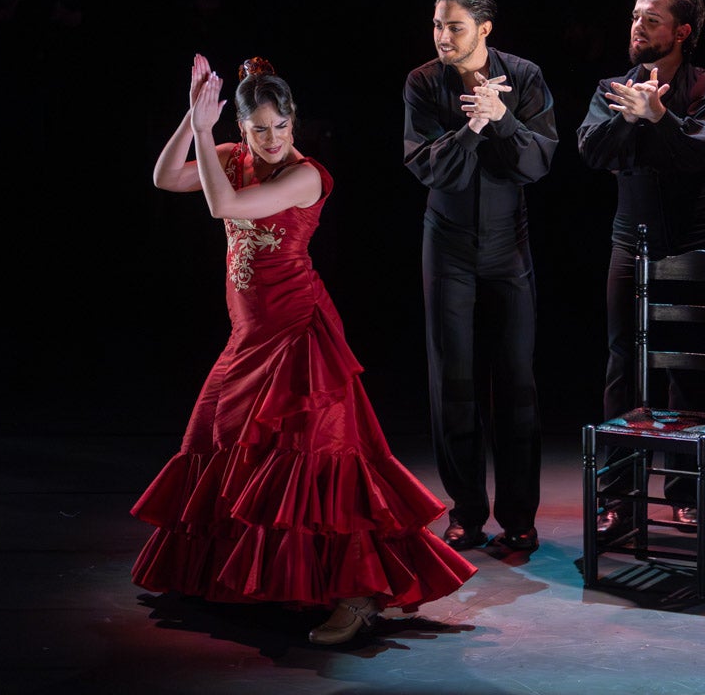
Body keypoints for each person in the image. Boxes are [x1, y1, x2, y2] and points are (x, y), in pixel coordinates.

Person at [131, 55, 476, 646]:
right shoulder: (235, 158)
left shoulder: (306, 175)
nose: (271, 139)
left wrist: (208, 130)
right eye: (258, 129)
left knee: (319, 457)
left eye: (281, 126)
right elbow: (165, 177)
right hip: (247, 335)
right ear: (242, 128)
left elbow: (221, 208)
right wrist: (192, 121)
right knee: (220, 444)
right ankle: (250, 576)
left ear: (296, 123)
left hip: (297, 333)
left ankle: (358, 593)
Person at [403, 0, 557, 553]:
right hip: (446, 247)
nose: (443, 37)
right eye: (437, 26)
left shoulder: (525, 76)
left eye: (456, 27)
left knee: (516, 384)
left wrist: (503, 120)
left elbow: (538, 162)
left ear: (485, 30)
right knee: (454, 384)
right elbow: (425, 166)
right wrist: (471, 128)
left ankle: (519, 515)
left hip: (507, 247)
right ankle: (466, 511)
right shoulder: (422, 83)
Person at [577, 0, 705, 536]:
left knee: (690, 370)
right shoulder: (610, 89)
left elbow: (702, 156)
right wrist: (629, 113)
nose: (638, 27)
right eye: (636, 16)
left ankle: (686, 493)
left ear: (682, 32)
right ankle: (616, 495)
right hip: (630, 242)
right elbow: (592, 150)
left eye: (652, 19)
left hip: (698, 244)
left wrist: (660, 118)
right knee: (624, 365)